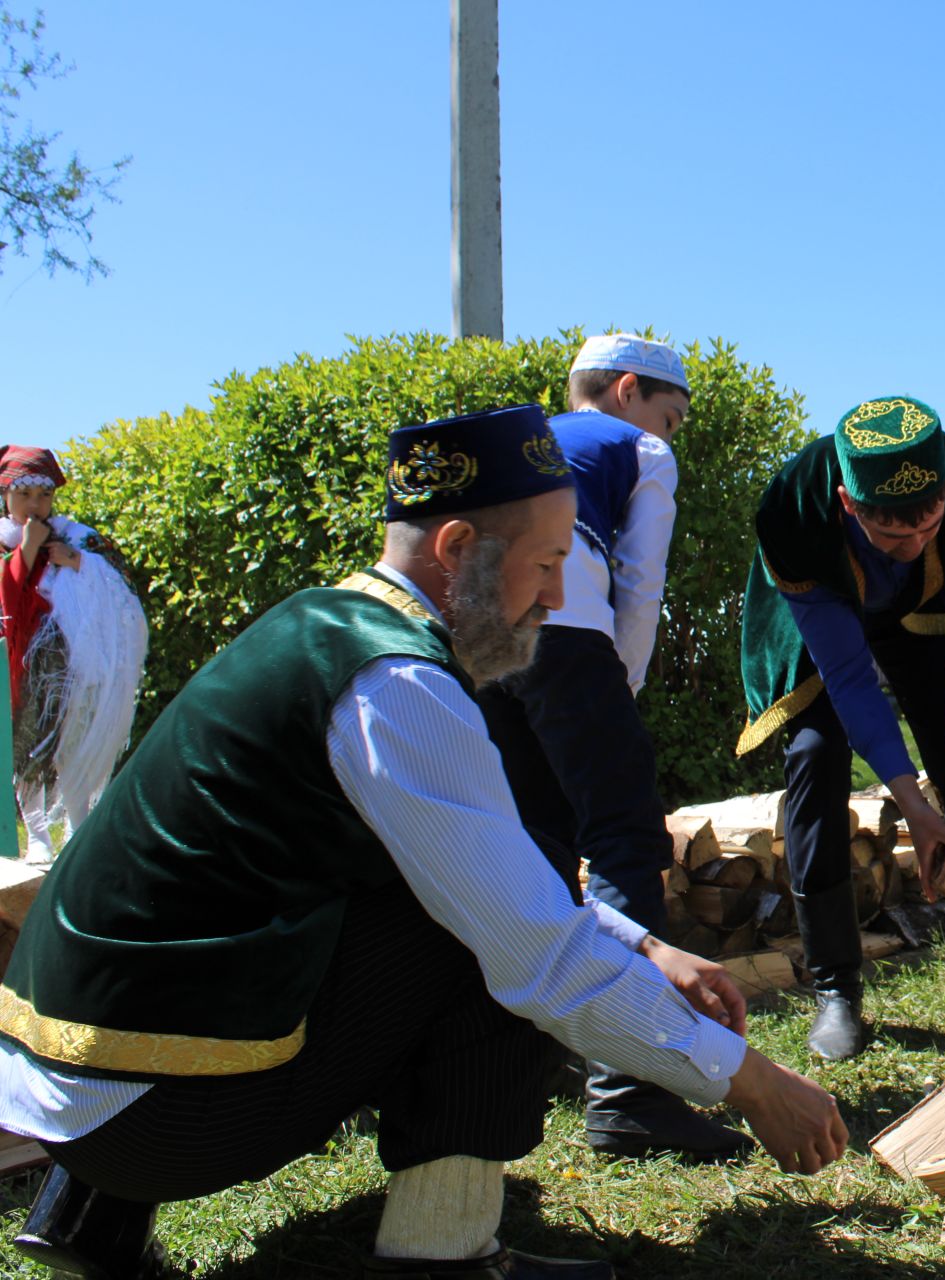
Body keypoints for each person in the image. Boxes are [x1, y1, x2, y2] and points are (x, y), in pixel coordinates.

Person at [0, 405, 845, 1280]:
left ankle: (86, 1220)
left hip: (72, 1084)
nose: (556, 598)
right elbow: (537, 954)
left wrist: (647, 948)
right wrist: (750, 1081)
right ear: (456, 551)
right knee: (482, 952)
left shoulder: (319, 622)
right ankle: (445, 1257)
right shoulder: (396, 684)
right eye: (549, 563)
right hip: (152, 1118)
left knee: (476, 887)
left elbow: (495, 860)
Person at [476, 335, 750, 1163]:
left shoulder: (522, 440)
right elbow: (641, 577)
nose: (672, 429)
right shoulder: (641, 447)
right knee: (626, 842)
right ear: (629, 390)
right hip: (571, 641)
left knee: (531, 849)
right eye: (670, 410)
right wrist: (619, 684)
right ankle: (629, 1094)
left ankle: (529, 1057)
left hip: (485, 645)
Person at [734, 396, 945, 1060]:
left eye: (926, 528)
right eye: (892, 538)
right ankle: (837, 990)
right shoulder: (793, 513)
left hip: (923, 615)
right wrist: (910, 803)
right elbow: (847, 677)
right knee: (815, 761)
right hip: (823, 615)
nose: (912, 547)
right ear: (848, 501)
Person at [0, 445, 147, 863]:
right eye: (24, 494)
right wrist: (27, 550)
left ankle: (80, 829)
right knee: (26, 747)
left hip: (74, 665)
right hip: (20, 667)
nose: (35, 504)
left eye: (43, 495)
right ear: (5, 494)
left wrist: (78, 561)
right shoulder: (3, 540)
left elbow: (122, 584)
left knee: (75, 741)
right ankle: (39, 835)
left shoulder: (79, 537)